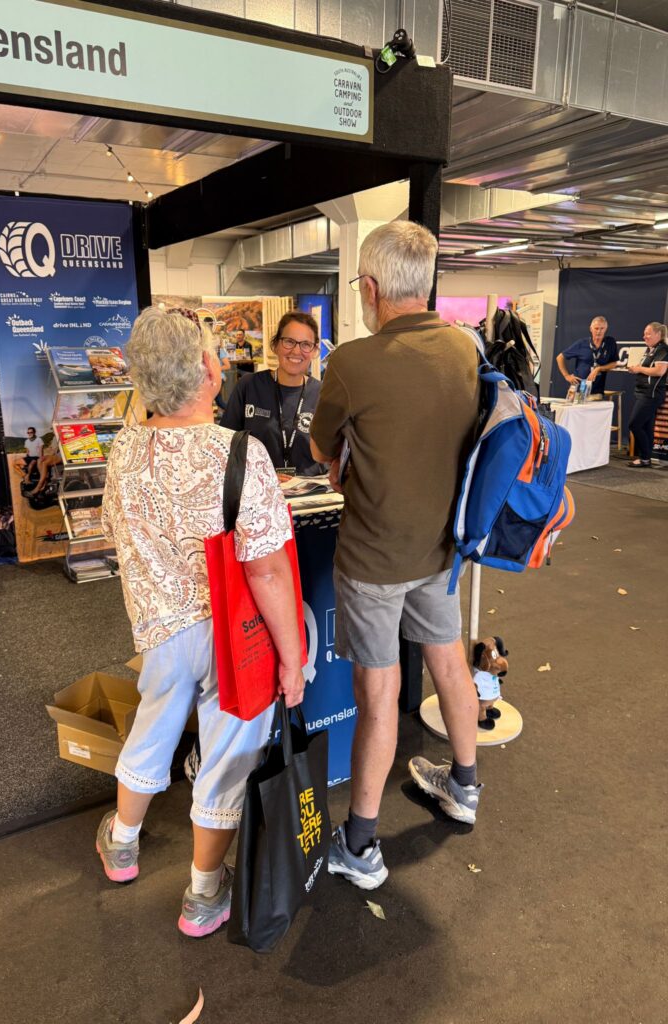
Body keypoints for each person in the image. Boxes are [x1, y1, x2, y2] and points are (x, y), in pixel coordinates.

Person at [97, 306, 304, 939]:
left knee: (153, 726)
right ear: (211, 370)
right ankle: (203, 895)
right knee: (226, 755)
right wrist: (293, 659)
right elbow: (267, 572)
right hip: (235, 636)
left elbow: (114, 535)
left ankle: (123, 844)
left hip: (161, 630)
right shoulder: (240, 453)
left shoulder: (124, 450)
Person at [309, 221, 482, 890]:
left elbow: (325, 449)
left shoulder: (352, 361)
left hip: (374, 559)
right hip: (440, 549)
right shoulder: (464, 350)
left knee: (378, 697)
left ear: (372, 288)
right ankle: (464, 787)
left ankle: (361, 845)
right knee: (450, 665)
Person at [221, 311, 326, 478]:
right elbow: (225, 447)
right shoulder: (249, 386)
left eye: (306, 344)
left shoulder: (323, 394)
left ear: (314, 351)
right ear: (275, 345)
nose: (297, 351)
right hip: (259, 491)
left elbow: (332, 455)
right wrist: (263, 476)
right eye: (289, 341)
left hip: (310, 494)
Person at [626, 321, 668, 467]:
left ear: (658, 334)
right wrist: (636, 368)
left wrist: (639, 369)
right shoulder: (651, 349)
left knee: (634, 424)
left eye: (648, 333)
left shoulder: (663, 349)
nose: (644, 336)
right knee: (646, 426)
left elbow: (659, 371)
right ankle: (645, 458)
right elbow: (648, 369)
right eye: (644, 333)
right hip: (643, 392)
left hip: (651, 394)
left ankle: (644, 456)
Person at [556, 316, 619, 399]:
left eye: (602, 328)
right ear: (591, 329)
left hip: (596, 392)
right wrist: (567, 376)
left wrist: (598, 369)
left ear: (606, 328)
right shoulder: (582, 343)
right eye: (596, 328)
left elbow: (614, 364)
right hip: (578, 390)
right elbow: (560, 357)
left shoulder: (610, 343)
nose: (599, 331)